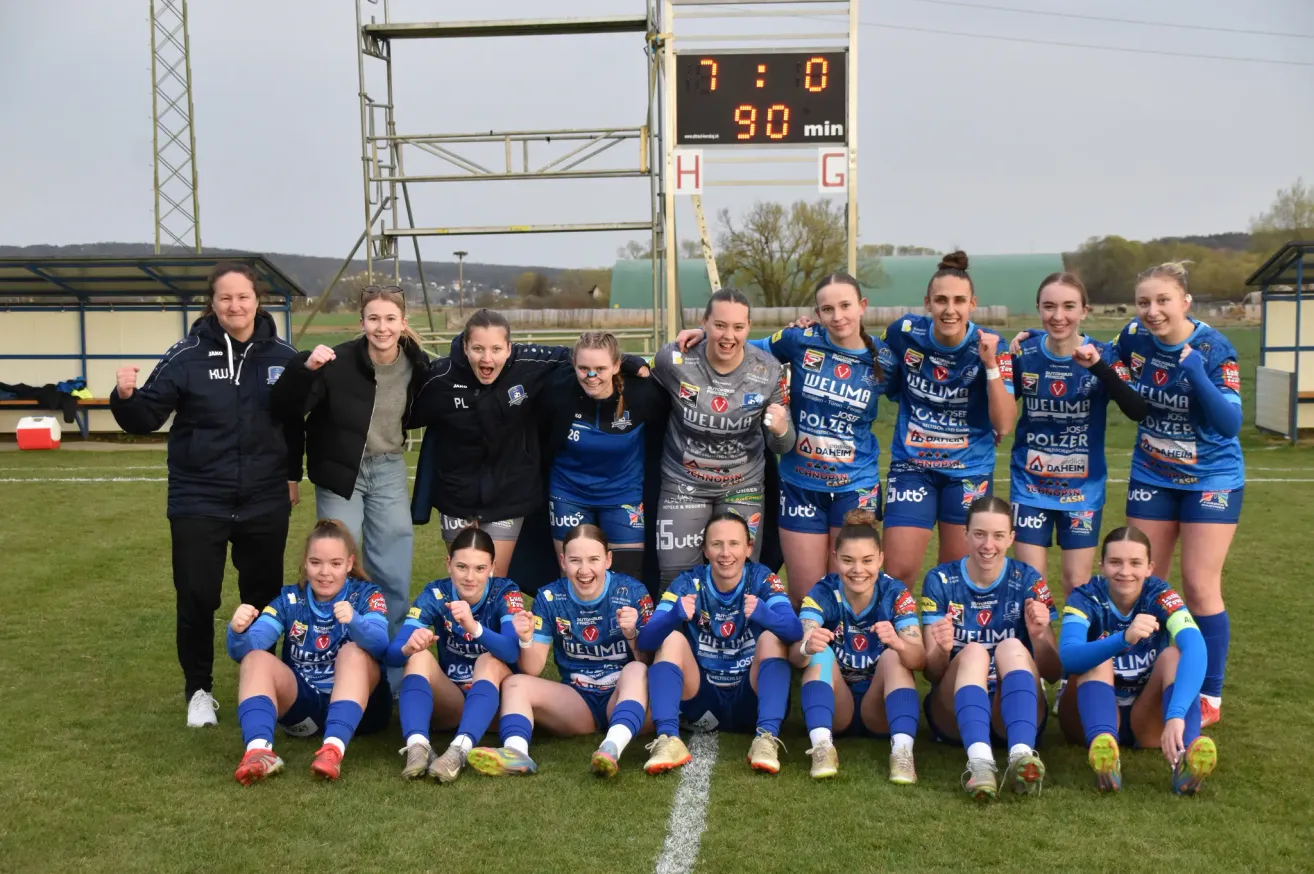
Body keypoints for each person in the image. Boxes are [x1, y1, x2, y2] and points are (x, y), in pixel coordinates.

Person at [110, 261, 304, 728]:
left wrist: (291, 475)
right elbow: (146, 418)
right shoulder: (186, 355)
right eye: (225, 298)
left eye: (243, 297)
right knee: (197, 596)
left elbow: (294, 422)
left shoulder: (283, 355)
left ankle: (265, 685)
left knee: (264, 597)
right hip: (199, 497)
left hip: (264, 497)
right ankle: (199, 690)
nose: (235, 306)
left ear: (257, 300)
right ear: (212, 303)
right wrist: (126, 397)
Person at [676, 273, 886, 606]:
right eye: (827, 309)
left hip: (855, 487)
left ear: (862, 306)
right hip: (800, 485)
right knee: (805, 596)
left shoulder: (884, 358)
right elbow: (742, 347)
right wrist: (706, 333)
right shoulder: (798, 339)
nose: (837, 316)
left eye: (845, 306)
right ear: (816, 313)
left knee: (853, 590)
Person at [270, 285, 432, 687]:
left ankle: (392, 673)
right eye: (373, 318)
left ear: (403, 322)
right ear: (362, 322)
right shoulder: (337, 361)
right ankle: (331, 662)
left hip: (388, 467)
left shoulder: (417, 363)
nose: (382, 327)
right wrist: (305, 367)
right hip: (341, 471)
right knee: (335, 560)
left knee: (393, 566)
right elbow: (286, 407)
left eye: (390, 318)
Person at [408, 310, 646, 578]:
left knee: (493, 580)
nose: (487, 358)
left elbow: (580, 357)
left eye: (496, 349)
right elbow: (406, 415)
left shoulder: (529, 363)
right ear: (465, 347)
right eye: (478, 349)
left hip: (507, 494)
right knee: (465, 578)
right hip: (456, 494)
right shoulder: (440, 377)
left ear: (509, 348)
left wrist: (627, 361)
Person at [1114, 262, 1244, 728]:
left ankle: (1209, 693)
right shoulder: (1133, 337)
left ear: (1185, 302)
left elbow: (1230, 424)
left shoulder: (1214, 348)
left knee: (1199, 585)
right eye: (1144, 302)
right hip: (1152, 474)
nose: (1152, 311)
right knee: (1144, 581)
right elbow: (1102, 359)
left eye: (1162, 300)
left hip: (1211, 479)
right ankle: (1145, 678)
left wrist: (1196, 374)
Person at [467, 525, 655, 777]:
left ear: (608, 560)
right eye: (575, 560)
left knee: (637, 668)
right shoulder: (549, 596)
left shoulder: (632, 592)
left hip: (624, 694)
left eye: (593, 560)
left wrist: (632, 634)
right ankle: (515, 752)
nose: (584, 570)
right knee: (515, 684)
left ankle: (611, 747)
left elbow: (650, 662)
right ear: (563, 561)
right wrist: (525, 639)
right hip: (578, 702)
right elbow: (533, 669)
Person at [876, 252, 1016, 586]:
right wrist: (809, 329)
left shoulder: (993, 345)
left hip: (968, 472)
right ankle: (897, 623)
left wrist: (991, 365)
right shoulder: (903, 332)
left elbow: (1004, 424)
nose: (949, 309)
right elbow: (865, 355)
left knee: (955, 578)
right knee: (897, 573)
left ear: (972, 304)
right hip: (913, 466)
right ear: (927, 303)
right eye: (940, 300)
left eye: (958, 301)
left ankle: (944, 624)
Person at [1006, 273, 1147, 595]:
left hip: (1083, 490)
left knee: (1077, 584)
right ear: (1038, 309)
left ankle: (1076, 632)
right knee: (1031, 585)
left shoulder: (1104, 355)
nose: (1058, 316)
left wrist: (1098, 368)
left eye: (1069, 306)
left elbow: (1138, 409)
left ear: (1085, 310)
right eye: (1049, 307)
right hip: (1030, 486)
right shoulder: (1024, 353)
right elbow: (998, 406)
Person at [226, 520, 392, 784]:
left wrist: (355, 622)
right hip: (307, 711)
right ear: (305, 562)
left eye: (335, 564)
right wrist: (238, 632)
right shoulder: (289, 599)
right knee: (256, 659)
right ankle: (259, 751)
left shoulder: (366, 595)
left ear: (349, 563)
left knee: (353, 652)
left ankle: (333, 749)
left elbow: (381, 645)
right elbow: (246, 650)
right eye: (316, 563)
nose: (325, 572)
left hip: (365, 713)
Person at [649, 288, 795, 587]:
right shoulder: (674, 358)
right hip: (682, 483)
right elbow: (639, 381)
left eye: (738, 327)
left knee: (736, 576)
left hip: (742, 485)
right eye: (720, 325)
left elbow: (784, 444)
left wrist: (780, 430)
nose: (729, 336)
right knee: (676, 580)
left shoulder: (769, 371)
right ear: (703, 323)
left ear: (749, 327)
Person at [637, 513, 803, 775]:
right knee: (671, 639)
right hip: (702, 702)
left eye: (734, 544)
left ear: (748, 548)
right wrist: (673, 616)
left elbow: (794, 631)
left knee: (772, 637)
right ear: (705, 550)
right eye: (717, 544)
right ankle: (668, 738)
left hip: (751, 700)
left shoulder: (761, 578)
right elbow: (646, 640)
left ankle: (766, 737)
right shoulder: (688, 582)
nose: (726, 553)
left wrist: (765, 615)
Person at [1057, 526, 1216, 795]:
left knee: (1174, 655)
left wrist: (1176, 714)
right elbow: (1069, 657)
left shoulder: (1160, 595)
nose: (1125, 571)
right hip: (1084, 717)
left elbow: (1196, 647)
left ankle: (1185, 756)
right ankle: (1106, 753)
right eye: (1115, 562)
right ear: (1102, 565)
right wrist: (1123, 639)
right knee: (1096, 658)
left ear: (1149, 568)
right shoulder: (1085, 596)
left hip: (1145, 718)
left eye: (1135, 563)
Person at [919, 496, 1059, 801]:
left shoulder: (1028, 580)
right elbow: (931, 674)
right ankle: (980, 763)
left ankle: (1021, 756)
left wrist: (1039, 637)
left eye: (998, 535)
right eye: (980, 534)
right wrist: (941, 650)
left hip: (1017, 711)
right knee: (973, 652)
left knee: (1011, 645)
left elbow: (1052, 673)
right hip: (954, 713)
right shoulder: (940, 580)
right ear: (965, 534)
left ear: (1011, 538)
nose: (988, 545)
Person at [386, 525, 527, 783]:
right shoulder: (436, 593)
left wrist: (474, 627)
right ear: (448, 563)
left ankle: (459, 751)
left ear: (492, 568)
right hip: (453, 701)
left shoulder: (505, 591)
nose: (470, 577)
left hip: (497, 706)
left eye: (480, 568)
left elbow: (511, 652)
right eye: (462, 566)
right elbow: (393, 655)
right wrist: (409, 647)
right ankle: (418, 746)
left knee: (489, 660)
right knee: (417, 657)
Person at [793, 509, 925, 782]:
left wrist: (899, 644)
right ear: (835, 559)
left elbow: (919, 659)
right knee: (819, 652)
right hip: (837, 706)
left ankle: (902, 753)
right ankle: (822, 747)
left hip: (880, 707)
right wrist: (807, 647)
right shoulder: (823, 592)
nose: (858, 570)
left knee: (895, 657)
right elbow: (796, 656)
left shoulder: (895, 593)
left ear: (881, 559)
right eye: (848, 560)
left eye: (867, 560)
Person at [537, 331, 669, 584]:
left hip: (623, 495)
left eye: (600, 369)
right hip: (569, 493)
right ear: (573, 365)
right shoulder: (557, 389)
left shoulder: (642, 393)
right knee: (575, 576)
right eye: (583, 368)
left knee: (626, 580)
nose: (591, 376)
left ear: (617, 366)